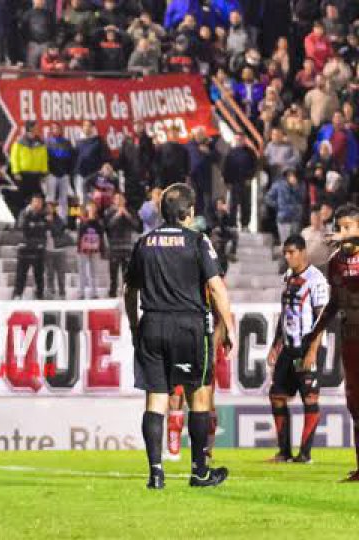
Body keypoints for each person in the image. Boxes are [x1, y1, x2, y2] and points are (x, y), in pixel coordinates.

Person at [124, 183, 237, 490]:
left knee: (156, 399)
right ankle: (200, 473)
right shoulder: (197, 240)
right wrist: (228, 326)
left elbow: (130, 291)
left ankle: (156, 473)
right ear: (188, 211)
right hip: (188, 326)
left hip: (152, 324)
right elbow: (216, 287)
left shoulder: (144, 243)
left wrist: (135, 326)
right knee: (198, 396)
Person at [301, 204, 359, 481]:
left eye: (349, 227)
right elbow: (334, 303)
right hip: (350, 340)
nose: (342, 233)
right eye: (340, 227)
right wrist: (314, 336)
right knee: (355, 404)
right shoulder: (335, 262)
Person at [265, 235, 328, 464]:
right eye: (285, 253)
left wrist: (312, 350)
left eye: (292, 252)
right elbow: (285, 313)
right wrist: (275, 344)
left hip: (307, 346)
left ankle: (305, 455)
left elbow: (322, 317)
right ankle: (284, 452)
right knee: (277, 396)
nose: (288, 257)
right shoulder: (289, 277)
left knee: (309, 399)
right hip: (289, 347)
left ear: (303, 252)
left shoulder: (316, 280)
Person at [104, 192, 141, 297]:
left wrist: (127, 214)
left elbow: (136, 226)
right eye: (117, 199)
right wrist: (117, 216)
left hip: (127, 247)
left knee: (127, 273)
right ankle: (112, 293)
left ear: (124, 201)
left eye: (121, 199)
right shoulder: (109, 212)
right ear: (113, 201)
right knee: (113, 273)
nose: (119, 201)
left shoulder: (130, 211)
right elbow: (108, 227)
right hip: (114, 247)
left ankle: (127, 294)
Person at [12, 194, 48, 300]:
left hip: (38, 250)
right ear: (31, 203)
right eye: (35, 202)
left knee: (39, 276)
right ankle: (17, 295)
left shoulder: (44, 215)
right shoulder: (24, 213)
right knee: (21, 276)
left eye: (40, 202)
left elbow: (44, 230)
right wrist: (29, 216)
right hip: (25, 250)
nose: (37, 205)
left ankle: (40, 296)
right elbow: (22, 227)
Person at [9, 122, 48, 218]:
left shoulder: (40, 142)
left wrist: (44, 171)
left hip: (36, 175)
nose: (37, 129)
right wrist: (16, 171)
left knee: (38, 197)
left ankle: (38, 217)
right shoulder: (19, 142)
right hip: (23, 175)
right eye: (35, 127)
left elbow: (44, 157)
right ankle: (21, 218)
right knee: (22, 198)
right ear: (29, 128)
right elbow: (14, 158)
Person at [77, 202, 105, 300]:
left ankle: (94, 293)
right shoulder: (82, 221)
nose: (92, 210)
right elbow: (79, 236)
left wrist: (101, 249)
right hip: (83, 250)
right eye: (90, 208)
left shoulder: (98, 222)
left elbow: (101, 236)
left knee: (94, 271)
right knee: (82, 272)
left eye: (93, 208)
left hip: (95, 249)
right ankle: (81, 293)